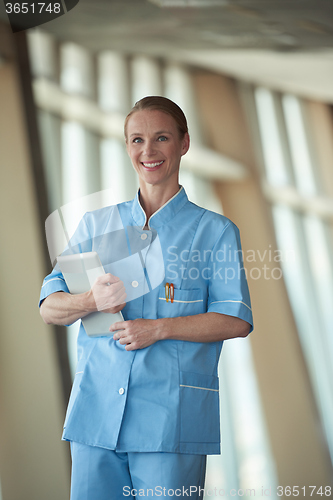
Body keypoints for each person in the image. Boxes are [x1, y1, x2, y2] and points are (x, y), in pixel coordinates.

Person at [39, 96, 253, 499]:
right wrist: (89, 301)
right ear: (126, 147)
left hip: (170, 421)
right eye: (137, 139)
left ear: (184, 143)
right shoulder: (96, 224)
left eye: (161, 138)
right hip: (96, 417)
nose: (148, 151)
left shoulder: (215, 232)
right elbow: (50, 307)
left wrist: (158, 328)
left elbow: (236, 319)